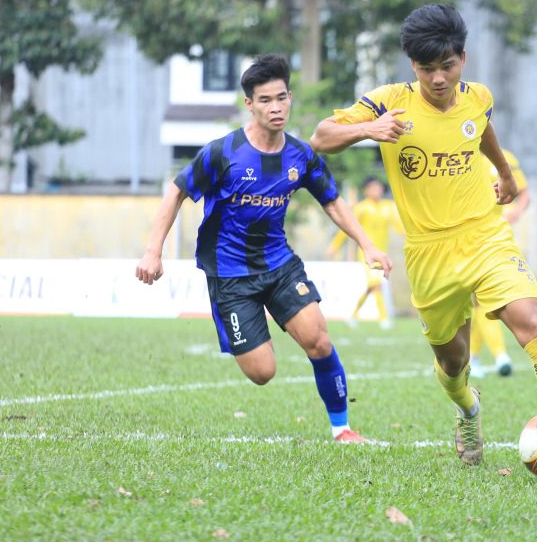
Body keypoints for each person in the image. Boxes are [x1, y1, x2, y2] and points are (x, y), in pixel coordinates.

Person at [310, 4, 537, 470]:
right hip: (428, 253)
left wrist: (506, 173)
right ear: (412, 67)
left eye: (447, 66)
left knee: (530, 319)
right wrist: (368, 129)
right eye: (426, 69)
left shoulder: (478, 96)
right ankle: (468, 410)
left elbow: (482, 129)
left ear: (462, 58)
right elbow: (321, 136)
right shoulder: (388, 100)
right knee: (453, 361)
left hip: (484, 235)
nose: (438, 78)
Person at [136, 53, 391, 444]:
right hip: (230, 274)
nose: (276, 108)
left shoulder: (301, 155)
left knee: (319, 339)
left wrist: (368, 245)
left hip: (279, 264)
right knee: (262, 372)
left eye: (282, 98)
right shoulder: (222, 153)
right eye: (266, 100)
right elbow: (176, 191)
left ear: (290, 97)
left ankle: (342, 429)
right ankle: (249, 323)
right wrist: (153, 251)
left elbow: (333, 202)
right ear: (250, 104)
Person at [468, 148, 527, 378]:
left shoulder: (505, 158)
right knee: (479, 301)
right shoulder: (458, 154)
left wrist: (515, 212)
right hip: (468, 238)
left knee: (481, 301)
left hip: (497, 238)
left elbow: (524, 191)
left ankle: (478, 357)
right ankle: (496, 355)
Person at [326, 176, 405, 329]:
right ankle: (384, 319)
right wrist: (335, 245)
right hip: (366, 254)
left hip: (383, 253)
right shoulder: (361, 208)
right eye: (373, 188)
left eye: (379, 187)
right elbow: (348, 227)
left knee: (372, 286)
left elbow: (399, 226)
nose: (377, 190)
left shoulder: (388, 207)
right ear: (366, 191)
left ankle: (353, 315)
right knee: (376, 284)